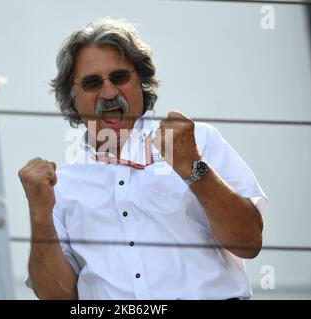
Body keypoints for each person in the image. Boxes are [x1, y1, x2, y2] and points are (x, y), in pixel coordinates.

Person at [18, 17, 268, 300]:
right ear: (72, 96)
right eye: (91, 83)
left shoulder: (197, 141)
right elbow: (57, 297)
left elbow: (248, 242)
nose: (109, 92)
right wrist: (39, 213)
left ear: (141, 80)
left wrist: (191, 166)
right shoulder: (59, 186)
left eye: (120, 77)